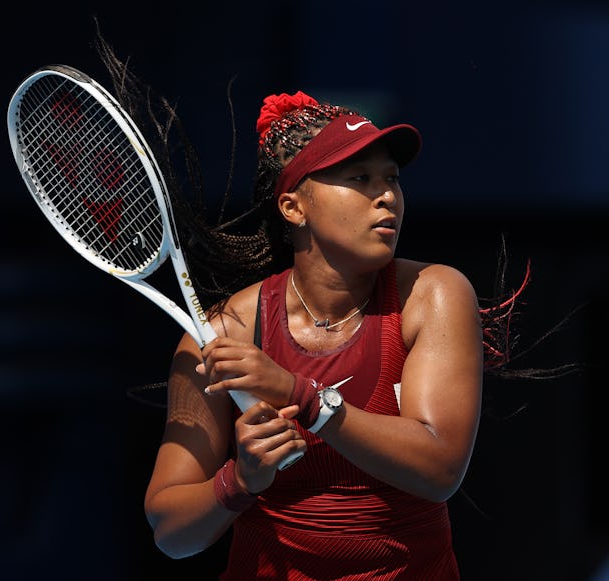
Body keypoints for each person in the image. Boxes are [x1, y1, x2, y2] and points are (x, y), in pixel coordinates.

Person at [94, 27, 577, 581]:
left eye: (392, 178)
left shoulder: (435, 294)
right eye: (359, 178)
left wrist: (301, 394)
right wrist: (241, 480)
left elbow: (439, 467)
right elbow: (172, 534)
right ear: (294, 207)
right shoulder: (224, 331)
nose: (387, 195)